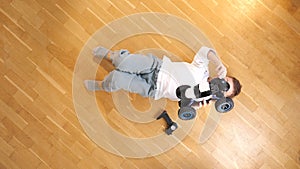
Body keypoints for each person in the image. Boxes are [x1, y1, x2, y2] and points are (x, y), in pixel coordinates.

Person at [84, 46, 241, 108]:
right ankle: (110, 55)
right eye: (225, 83)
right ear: (222, 77)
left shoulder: (202, 98)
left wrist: (199, 104)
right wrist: (219, 63)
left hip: (153, 89)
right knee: (122, 61)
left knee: (116, 80)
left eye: (224, 90)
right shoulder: (203, 70)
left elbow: (183, 104)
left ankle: (101, 85)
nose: (221, 86)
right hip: (156, 66)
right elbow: (205, 50)